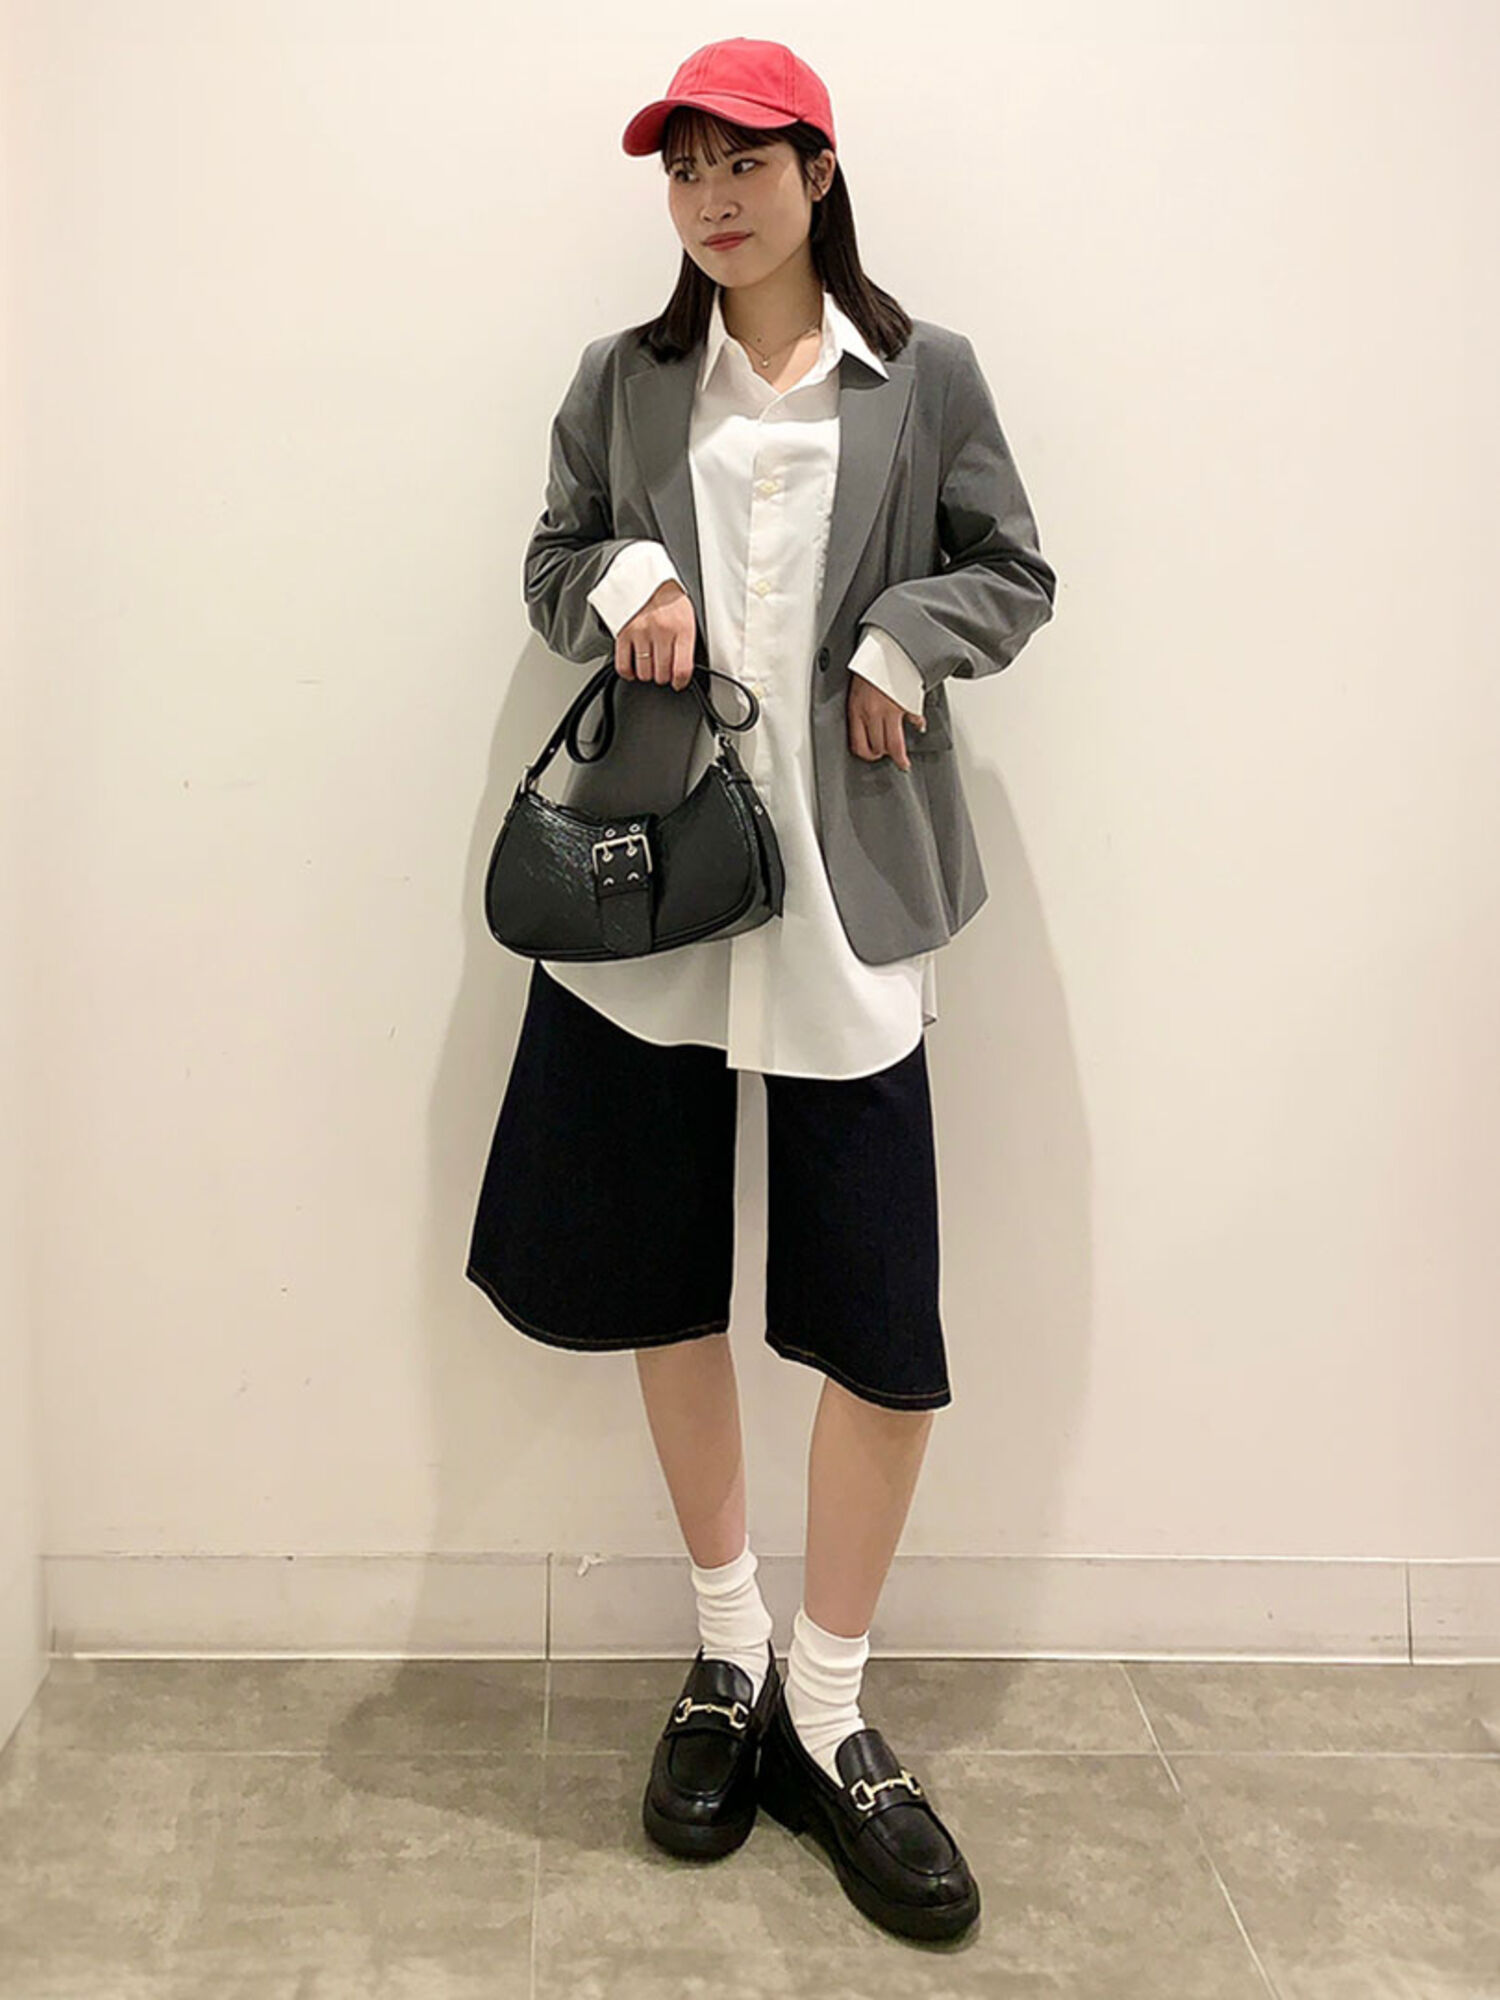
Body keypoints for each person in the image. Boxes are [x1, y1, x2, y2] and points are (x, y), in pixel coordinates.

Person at [466, 38, 1056, 1944]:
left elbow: (1013, 568)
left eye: (745, 162)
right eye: (685, 169)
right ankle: (727, 1655)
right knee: (662, 1275)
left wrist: (904, 636)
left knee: (880, 1322)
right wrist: (626, 576)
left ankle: (830, 1701)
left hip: (851, 901)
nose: (712, 198)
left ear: (819, 171)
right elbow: (552, 554)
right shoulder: (626, 379)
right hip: (664, 886)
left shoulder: (924, 373)